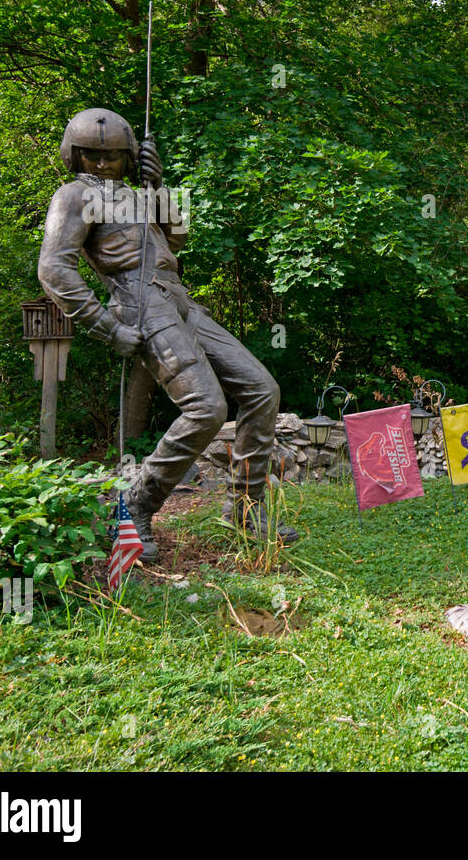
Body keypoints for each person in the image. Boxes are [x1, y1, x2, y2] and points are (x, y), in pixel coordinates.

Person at [37, 107, 299, 556]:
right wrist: (104, 325)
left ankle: (246, 510)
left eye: (114, 157)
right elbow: (54, 269)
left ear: (129, 158)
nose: (102, 166)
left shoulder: (136, 194)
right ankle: (136, 504)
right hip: (138, 302)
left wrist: (158, 188)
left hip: (176, 297)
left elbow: (176, 239)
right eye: (93, 157)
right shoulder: (73, 195)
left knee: (261, 388)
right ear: (74, 155)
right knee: (206, 407)